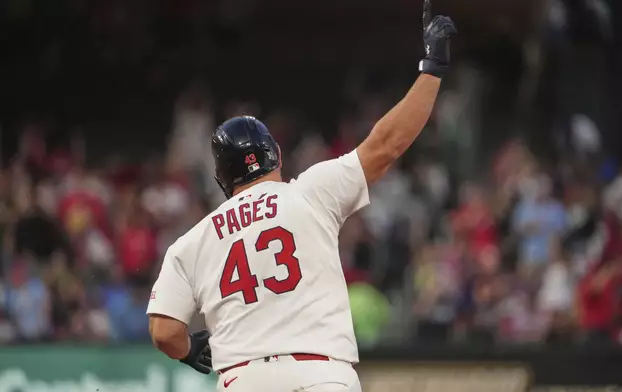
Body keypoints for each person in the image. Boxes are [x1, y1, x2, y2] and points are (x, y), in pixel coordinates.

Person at [146, 1, 456, 391]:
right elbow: (386, 144)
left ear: (222, 177)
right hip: (320, 374)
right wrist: (432, 70)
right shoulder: (310, 193)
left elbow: (163, 330)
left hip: (245, 379)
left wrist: (188, 348)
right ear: (275, 155)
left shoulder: (192, 243)